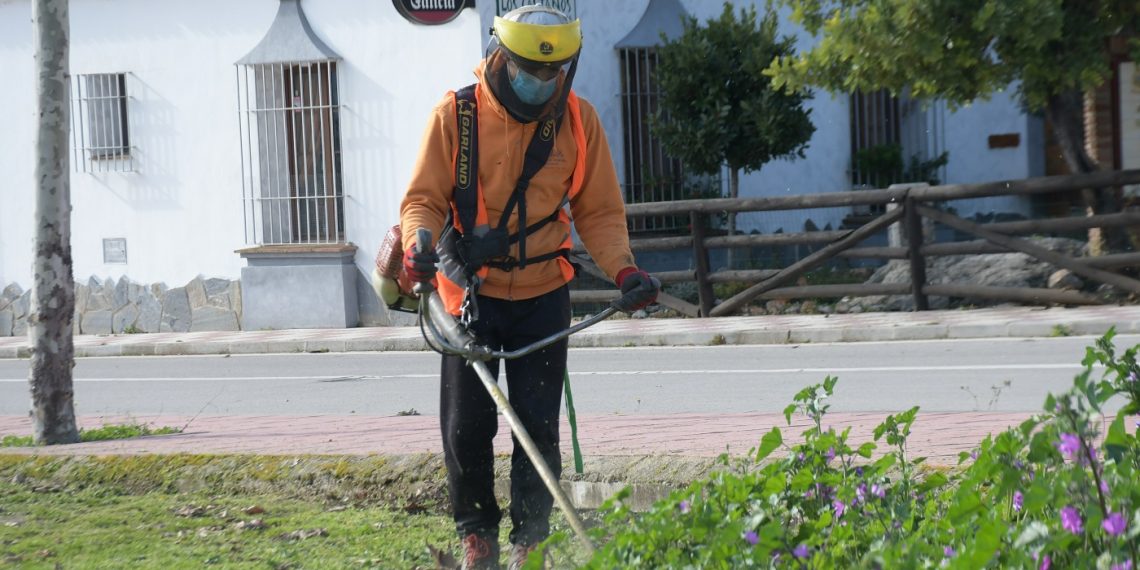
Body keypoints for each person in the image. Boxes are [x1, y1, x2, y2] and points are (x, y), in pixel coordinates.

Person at [398, 5, 659, 569]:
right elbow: (423, 200)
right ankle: (477, 538)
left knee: (538, 426)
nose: (541, 81)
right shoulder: (456, 116)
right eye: (529, 70)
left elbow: (599, 212)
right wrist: (419, 245)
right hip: (468, 295)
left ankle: (530, 542)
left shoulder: (578, 120)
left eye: (553, 72)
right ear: (500, 57)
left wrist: (624, 271)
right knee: (466, 427)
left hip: (544, 294)